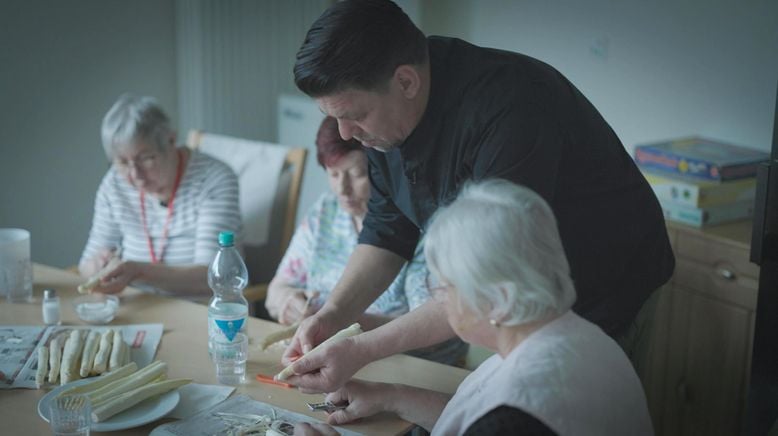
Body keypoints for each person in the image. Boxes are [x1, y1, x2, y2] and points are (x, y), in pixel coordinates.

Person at [282, 0, 674, 392]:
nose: (345, 133)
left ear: (406, 82)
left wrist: (361, 350)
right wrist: (333, 315)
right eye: (332, 117)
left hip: (606, 285)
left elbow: (484, 278)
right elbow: (387, 230)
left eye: (355, 115)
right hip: (508, 299)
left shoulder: (511, 108)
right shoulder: (384, 123)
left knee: (573, 411)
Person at [295, 179, 655, 435]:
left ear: (498, 300)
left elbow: (499, 422)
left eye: (445, 287)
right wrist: (390, 396)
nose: (438, 298)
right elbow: (476, 419)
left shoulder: (521, 411)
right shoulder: (579, 337)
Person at [265, 116, 466, 364]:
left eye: (357, 174)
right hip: (334, 354)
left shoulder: (421, 225)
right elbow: (275, 290)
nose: (343, 189)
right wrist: (289, 303)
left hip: (407, 364)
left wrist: (340, 321)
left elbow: (436, 331)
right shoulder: (326, 210)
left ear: (383, 171)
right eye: (334, 174)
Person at [79, 94, 242, 298]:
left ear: (171, 141)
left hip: (203, 313)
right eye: (122, 162)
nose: (135, 175)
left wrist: (137, 272)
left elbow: (213, 279)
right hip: (138, 307)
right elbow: (85, 265)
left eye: (145, 159)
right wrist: (98, 267)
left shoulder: (214, 179)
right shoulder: (114, 183)